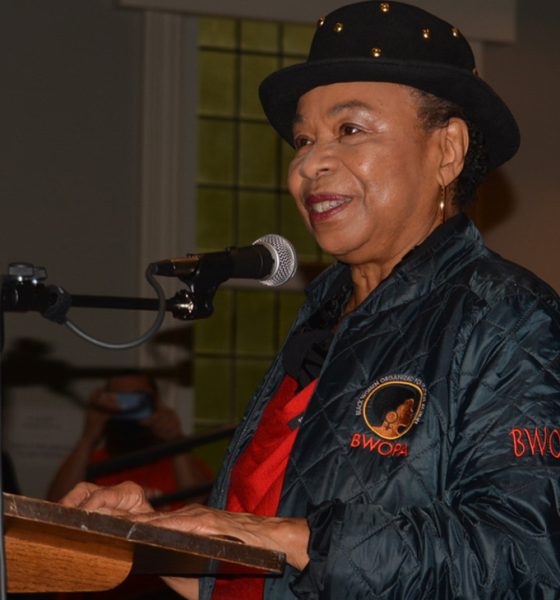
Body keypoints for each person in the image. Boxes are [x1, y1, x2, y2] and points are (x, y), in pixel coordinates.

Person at [60, 2, 560, 599]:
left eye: (350, 130)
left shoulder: (508, 316)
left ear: (446, 150)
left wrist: (286, 537)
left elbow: (526, 560)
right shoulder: (325, 308)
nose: (308, 164)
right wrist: (148, 533)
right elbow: (266, 562)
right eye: (303, 139)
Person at [48, 371, 212, 507]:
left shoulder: (180, 463)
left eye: (138, 400)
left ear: (156, 403)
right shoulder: (93, 464)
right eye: (119, 399)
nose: (128, 409)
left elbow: (204, 505)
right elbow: (57, 506)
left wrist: (176, 440)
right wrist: (88, 437)